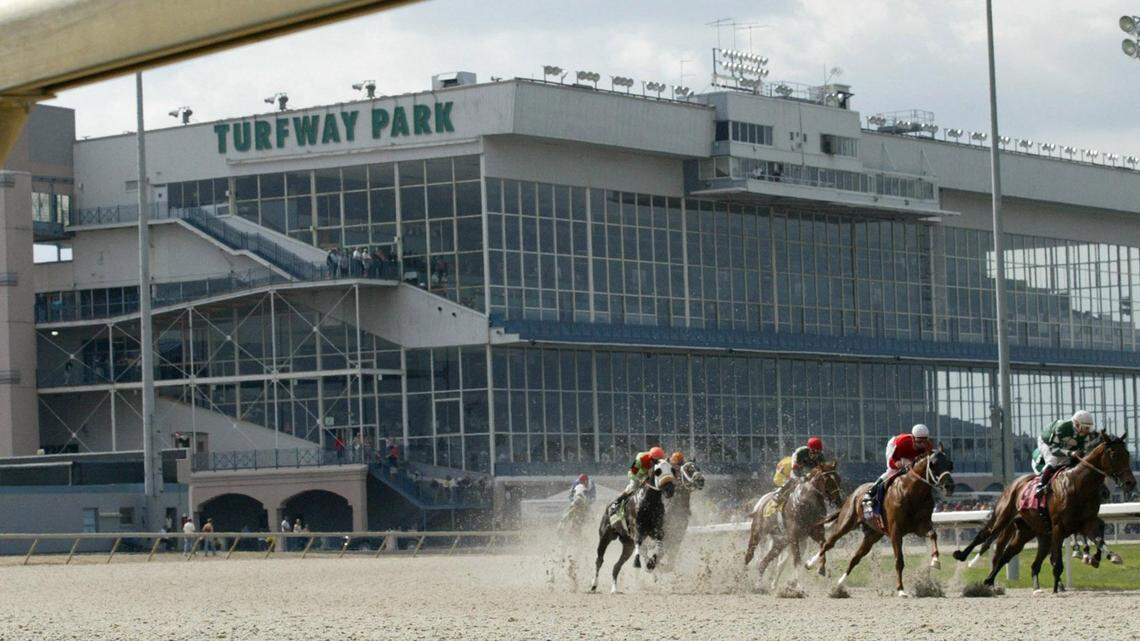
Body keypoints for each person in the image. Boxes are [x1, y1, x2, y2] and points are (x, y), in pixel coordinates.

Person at [866, 424, 933, 516]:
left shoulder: (928, 446)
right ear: (913, 438)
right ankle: (872, 491)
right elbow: (891, 463)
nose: (922, 445)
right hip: (894, 447)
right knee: (892, 471)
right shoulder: (902, 443)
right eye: (919, 441)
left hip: (910, 456)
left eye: (924, 441)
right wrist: (899, 464)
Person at [1032, 410, 1094, 497]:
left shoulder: (1085, 434)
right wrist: (1070, 453)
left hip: (1064, 444)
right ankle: (1040, 486)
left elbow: (1083, 450)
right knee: (1052, 461)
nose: (1088, 431)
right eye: (1085, 427)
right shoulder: (1062, 428)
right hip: (1047, 443)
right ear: (1076, 424)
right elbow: (1053, 449)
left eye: (1089, 428)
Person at [608, 446, 666, 525]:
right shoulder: (641, 458)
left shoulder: (661, 461)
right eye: (655, 461)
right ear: (650, 458)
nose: (657, 463)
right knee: (632, 487)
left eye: (659, 461)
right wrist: (639, 480)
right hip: (638, 475)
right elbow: (631, 473)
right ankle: (616, 504)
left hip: (649, 476)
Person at [773, 437, 826, 508]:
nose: (815, 454)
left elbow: (823, 470)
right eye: (813, 451)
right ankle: (780, 492)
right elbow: (795, 468)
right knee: (794, 480)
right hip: (797, 468)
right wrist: (801, 477)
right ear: (809, 449)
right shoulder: (801, 452)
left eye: (818, 452)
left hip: (810, 470)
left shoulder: (821, 457)